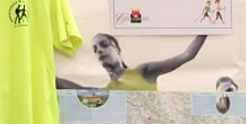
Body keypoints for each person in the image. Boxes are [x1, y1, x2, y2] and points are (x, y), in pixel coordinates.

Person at [59, 33, 207, 90]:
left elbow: (187, 55)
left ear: (117, 48)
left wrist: (206, 27)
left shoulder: (142, 72)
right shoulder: (109, 90)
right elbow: (81, 90)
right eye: (95, 49)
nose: (99, 51)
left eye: (104, 45)